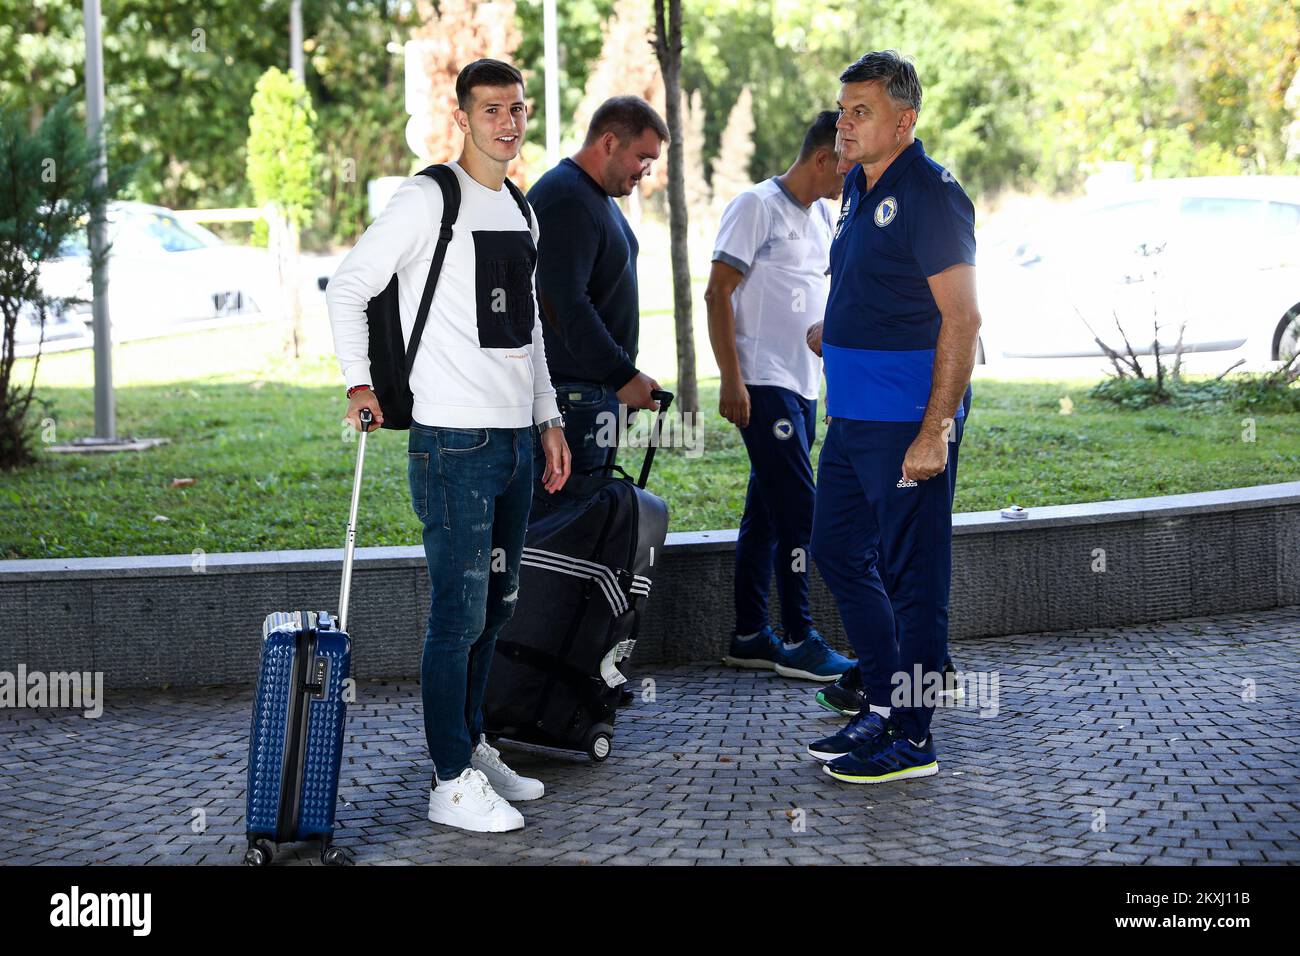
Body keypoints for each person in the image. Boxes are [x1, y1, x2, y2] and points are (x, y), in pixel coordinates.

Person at [326, 58, 571, 831]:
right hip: (451, 439)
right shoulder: (429, 197)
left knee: (497, 606)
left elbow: (527, 329)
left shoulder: (523, 211)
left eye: (518, 109)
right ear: (462, 117)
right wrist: (358, 385)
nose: (509, 122)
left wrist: (549, 417)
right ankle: (448, 778)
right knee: (458, 613)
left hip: (514, 442)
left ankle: (472, 745)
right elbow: (350, 285)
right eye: (492, 108)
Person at [804, 51, 981, 785]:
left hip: (907, 423)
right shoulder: (856, 187)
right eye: (843, 110)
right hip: (851, 418)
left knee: (914, 579)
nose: (844, 123)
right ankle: (881, 703)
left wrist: (934, 429)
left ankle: (912, 737)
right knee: (837, 551)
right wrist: (834, 333)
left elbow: (962, 318)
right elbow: (880, 291)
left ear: (904, 121)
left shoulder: (933, 194)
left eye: (861, 111)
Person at [705, 110, 854, 683]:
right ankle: (797, 637)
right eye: (847, 166)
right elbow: (718, 294)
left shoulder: (820, 214)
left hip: (802, 384)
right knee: (801, 513)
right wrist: (731, 378)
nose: (852, 176)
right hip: (761, 384)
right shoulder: (755, 206)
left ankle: (748, 635)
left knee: (765, 513)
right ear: (824, 158)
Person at [527, 95, 669, 477]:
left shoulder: (593, 195)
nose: (646, 171)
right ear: (608, 143)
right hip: (572, 398)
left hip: (591, 394)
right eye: (643, 157)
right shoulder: (567, 198)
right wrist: (622, 375)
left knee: (584, 517)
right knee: (564, 524)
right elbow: (563, 303)